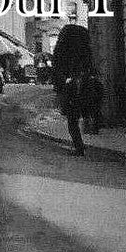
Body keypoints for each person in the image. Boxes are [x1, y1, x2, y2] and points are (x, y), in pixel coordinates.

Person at [51, 24, 101, 157]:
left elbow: (57, 70)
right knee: (87, 113)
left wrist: (61, 85)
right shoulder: (86, 51)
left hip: (71, 91)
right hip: (85, 89)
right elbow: (92, 68)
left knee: (72, 121)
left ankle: (79, 147)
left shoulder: (62, 50)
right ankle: (88, 135)